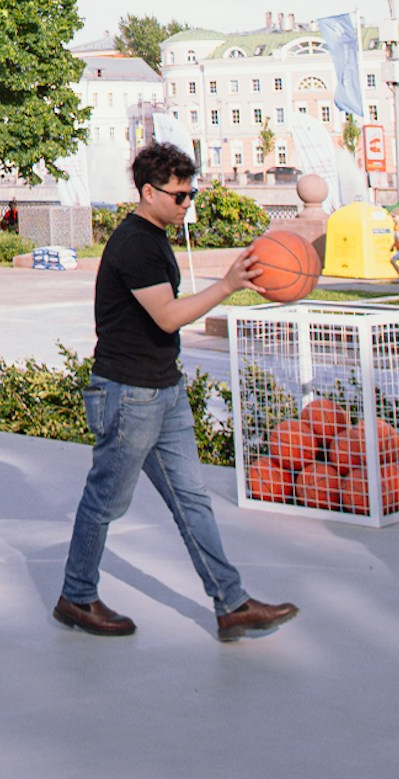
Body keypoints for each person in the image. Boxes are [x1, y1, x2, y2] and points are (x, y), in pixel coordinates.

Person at [55, 141, 297, 643]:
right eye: (179, 195)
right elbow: (167, 316)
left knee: (192, 500)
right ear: (149, 192)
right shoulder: (136, 245)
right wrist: (227, 285)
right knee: (105, 500)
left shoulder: (156, 236)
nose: (187, 203)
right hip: (129, 394)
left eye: (191, 195)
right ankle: (76, 597)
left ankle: (231, 604)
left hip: (163, 389)